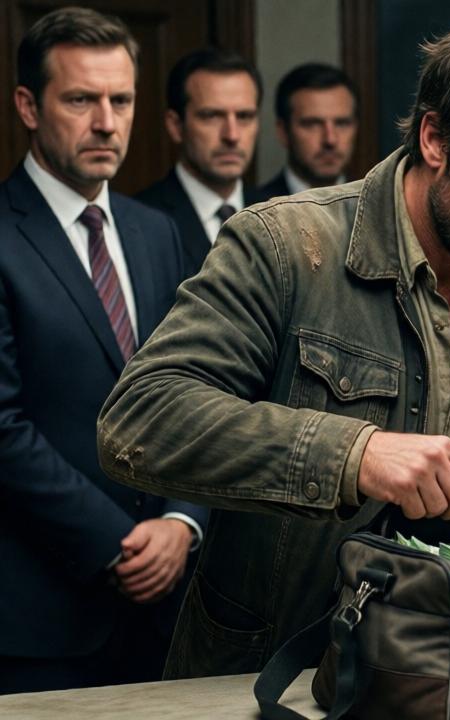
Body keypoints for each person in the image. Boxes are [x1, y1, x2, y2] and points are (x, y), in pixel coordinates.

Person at [97, 6, 450, 679]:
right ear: (436, 138)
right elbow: (140, 419)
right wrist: (355, 454)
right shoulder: (285, 247)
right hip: (282, 677)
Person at [0, 7, 207, 692]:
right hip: (43, 616)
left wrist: (184, 520)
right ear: (29, 105)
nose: (106, 122)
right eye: (80, 100)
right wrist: (115, 543)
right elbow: (3, 428)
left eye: (120, 100)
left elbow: (199, 393)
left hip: (170, 609)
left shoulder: (158, 233)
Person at [136, 48, 265, 275]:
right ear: (176, 126)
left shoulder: (276, 210)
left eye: (244, 117)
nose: (232, 135)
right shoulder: (141, 221)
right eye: (211, 116)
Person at [258, 62, 359, 199]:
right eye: (312, 124)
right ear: (283, 132)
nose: (330, 139)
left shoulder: (378, 209)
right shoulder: (253, 211)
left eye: (341, 124)